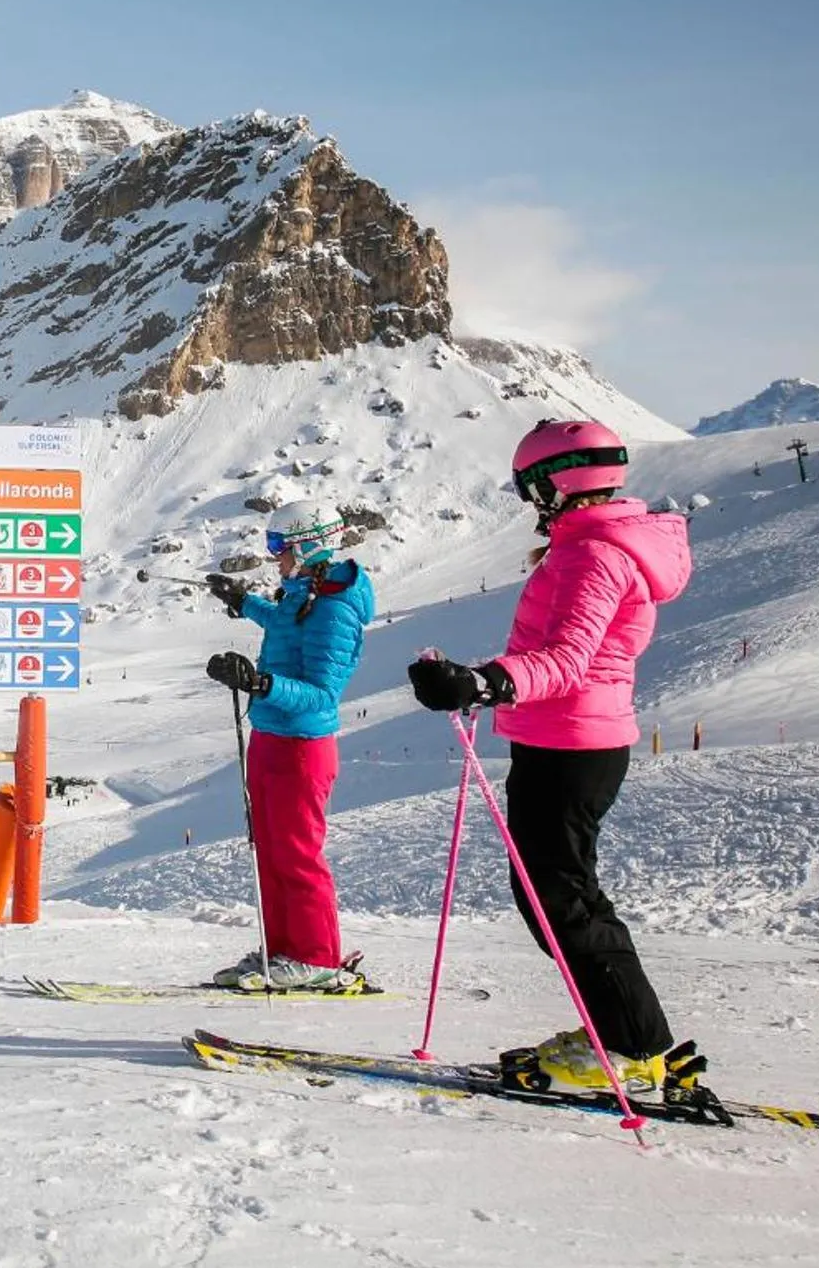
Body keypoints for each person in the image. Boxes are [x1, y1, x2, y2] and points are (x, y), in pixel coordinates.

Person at [407, 418, 691, 1092]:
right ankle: (616, 1029)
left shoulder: (595, 555)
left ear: (559, 480)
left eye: (531, 483)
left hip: (573, 742)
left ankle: (630, 1044)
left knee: (562, 900)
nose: (529, 498)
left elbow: (566, 660)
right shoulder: (591, 545)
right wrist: (487, 681)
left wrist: (486, 681)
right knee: (556, 894)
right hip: (565, 737)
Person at [201, 500, 374, 992]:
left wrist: (259, 683)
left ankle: (317, 956)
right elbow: (283, 625)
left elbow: (323, 693)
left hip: (302, 745)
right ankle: (282, 950)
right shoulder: (306, 593)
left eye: (279, 546)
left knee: (298, 852)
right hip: (271, 737)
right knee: (271, 850)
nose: (273, 556)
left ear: (309, 545)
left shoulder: (336, 609)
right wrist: (241, 601)